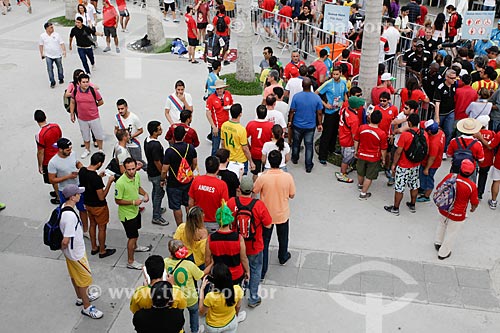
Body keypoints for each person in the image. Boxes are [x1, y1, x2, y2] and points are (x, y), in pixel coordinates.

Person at [227, 176, 272, 308]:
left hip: (236, 245)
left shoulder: (231, 202)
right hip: (254, 246)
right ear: (253, 190)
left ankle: (237, 293)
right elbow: (268, 225)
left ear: (239, 189)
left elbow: (226, 221)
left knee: (237, 269)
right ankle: (253, 298)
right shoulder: (259, 205)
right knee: (255, 270)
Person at [59, 184, 103, 319]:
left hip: (71, 254)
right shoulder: (70, 217)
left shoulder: (64, 208)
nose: (80, 195)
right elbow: (65, 240)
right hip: (76, 254)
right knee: (84, 280)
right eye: (78, 194)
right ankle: (87, 307)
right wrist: (66, 249)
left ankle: (80, 298)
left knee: (74, 276)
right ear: (72, 197)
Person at [254, 150, 296, 279]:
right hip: (282, 213)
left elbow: (254, 190)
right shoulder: (287, 177)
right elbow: (292, 195)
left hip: (266, 215)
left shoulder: (263, 177)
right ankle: (283, 256)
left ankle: (263, 271)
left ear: (268, 162)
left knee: (264, 242)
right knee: (283, 237)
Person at [434, 159, 478, 260]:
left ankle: (438, 242)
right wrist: (473, 208)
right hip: (457, 214)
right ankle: (443, 253)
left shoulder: (451, 176)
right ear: (471, 172)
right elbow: (474, 202)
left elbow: (439, 186)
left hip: (444, 208)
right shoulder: (472, 186)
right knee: (451, 233)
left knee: (441, 224)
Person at [384, 114, 427, 216]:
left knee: (399, 187)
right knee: (414, 185)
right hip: (416, 165)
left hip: (404, 165)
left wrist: (394, 164)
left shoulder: (405, 135)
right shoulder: (423, 134)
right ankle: (412, 205)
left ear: (409, 123)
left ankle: (395, 208)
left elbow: (398, 152)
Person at [114, 157, 152, 270]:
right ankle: (130, 261)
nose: (131, 171)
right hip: (127, 215)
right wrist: (133, 202)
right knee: (132, 237)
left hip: (135, 211)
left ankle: (136, 246)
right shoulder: (120, 183)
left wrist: (145, 193)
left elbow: (138, 187)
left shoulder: (137, 176)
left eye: (133, 169)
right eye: (129, 169)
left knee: (135, 234)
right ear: (125, 169)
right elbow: (117, 200)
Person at [78, 152, 116, 258]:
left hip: (88, 203)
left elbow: (88, 183)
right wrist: (109, 182)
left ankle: (94, 247)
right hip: (99, 206)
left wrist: (99, 176)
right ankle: (102, 250)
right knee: (102, 228)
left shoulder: (83, 171)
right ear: (99, 163)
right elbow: (101, 196)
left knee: (92, 224)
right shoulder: (96, 179)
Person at [48, 138, 88, 233]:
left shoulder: (72, 153)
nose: (70, 151)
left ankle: (85, 231)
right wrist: (68, 176)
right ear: (60, 149)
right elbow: (52, 179)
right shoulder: (53, 162)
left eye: (70, 149)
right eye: (67, 150)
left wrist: (81, 168)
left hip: (77, 187)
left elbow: (77, 162)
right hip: (64, 190)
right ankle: (65, 231)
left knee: (83, 210)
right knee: (66, 211)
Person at [205, 203, 250, 286]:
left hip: (218, 275)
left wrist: (209, 271)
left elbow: (207, 259)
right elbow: (243, 258)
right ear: (230, 219)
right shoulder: (238, 238)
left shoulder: (211, 238)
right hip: (236, 275)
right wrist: (247, 271)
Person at [164, 240, 204, 333]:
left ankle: (180, 330)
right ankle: (195, 330)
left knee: (179, 315)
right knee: (194, 313)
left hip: (176, 297)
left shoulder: (166, 262)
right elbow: (200, 275)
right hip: (191, 297)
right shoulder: (189, 265)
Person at [161, 126, 198, 226]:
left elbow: (164, 170)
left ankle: (180, 227)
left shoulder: (170, 151)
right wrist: (189, 172)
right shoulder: (190, 148)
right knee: (188, 204)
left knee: (176, 207)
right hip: (188, 181)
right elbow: (194, 163)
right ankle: (190, 226)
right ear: (184, 135)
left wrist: (162, 179)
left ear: (173, 136)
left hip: (174, 183)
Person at [289, 77, 324, 173]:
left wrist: (290, 121)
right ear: (311, 86)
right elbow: (319, 112)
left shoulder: (296, 96)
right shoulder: (316, 98)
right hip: (310, 126)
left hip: (297, 125)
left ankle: (295, 158)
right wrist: (320, 124)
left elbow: (292, 111)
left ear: (302, 86)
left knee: (296, 143)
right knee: (309, 145)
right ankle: (308, 165)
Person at [316, 66, 349, 165]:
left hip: (339, 111)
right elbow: (316, 93)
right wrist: (325, 104)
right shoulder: (328, 83)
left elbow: (345, 94)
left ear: (341, 73)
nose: (335, 76)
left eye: (337, 74)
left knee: (335, 132)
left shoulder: (344, 82)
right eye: (333, 74)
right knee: (327, 133)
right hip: (330, 112)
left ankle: (332, 149)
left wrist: (345, 103)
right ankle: (322, 156)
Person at [199, 263, 245, 332]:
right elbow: (238, 307)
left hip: (214, 326)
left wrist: (202, 290)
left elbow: (201, 312)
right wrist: (235, 316)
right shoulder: (237, 289)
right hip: (231, 322)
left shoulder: (211, 297)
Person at [188, 156, 229, 233]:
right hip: (214, 223)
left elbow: (190, 203)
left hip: (198, 220)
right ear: (218, 168)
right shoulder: (222, 185)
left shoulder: (196, 180)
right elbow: (224, 207)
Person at [354, 110, 388, 200]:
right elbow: (383, 149)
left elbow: (356, 140)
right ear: (380, 120)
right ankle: (363, 193)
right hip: (373, 158)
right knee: (369, 176)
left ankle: (360, 185)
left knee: (360, 172)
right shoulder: (382, 133)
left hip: (361, 154)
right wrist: (383, 159)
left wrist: (356, 151)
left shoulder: (361, 128)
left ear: (370, 117)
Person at [69, 73, 104, 158]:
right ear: (79, 83)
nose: (86, 84)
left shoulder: (93, 91)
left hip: (94, 117)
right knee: (85, 135)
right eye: (83, 82)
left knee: (98, 134)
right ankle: (87, 149)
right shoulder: (76, 91)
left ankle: (100, 149)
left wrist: (93, 107)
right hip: (82, 118)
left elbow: (101, 101)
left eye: (87, 82)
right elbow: (72, 102)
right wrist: (72, 113)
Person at [34, 109, 62, 205]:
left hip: (49, 160)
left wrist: (40, 165)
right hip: (59, 155)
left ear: (36, 120)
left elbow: (40, 152)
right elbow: (59, 139)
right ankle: (59, 192)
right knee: (59, 176)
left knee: (54, 180)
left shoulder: (40, 135)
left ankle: (59, 197)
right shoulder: (56, 126)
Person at [144, 120, 168, 226]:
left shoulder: (147, 140)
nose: (161, 130)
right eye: (159, 129)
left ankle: (157, 209)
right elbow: (157, 161)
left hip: (151, 171)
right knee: (159, 194)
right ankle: (156, 216)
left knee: (155, 191)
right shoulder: (155, 145)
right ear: (154, 132)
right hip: (156, 173)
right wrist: (163, 175)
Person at [221, 104, 256, 173]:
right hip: (240, 159)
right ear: (240, 114)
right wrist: (251, 161)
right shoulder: (241, 129)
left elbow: (223, 143)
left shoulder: (224, 125)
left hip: (229, 158)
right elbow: (245, 148)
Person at [416, 120, 445, 203]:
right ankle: (422, 188)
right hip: (435, 161)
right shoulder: (440, 132)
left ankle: (426, 195)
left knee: (428, 178)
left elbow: (432, 157)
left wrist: (427, 168)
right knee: (423, 177)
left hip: (431, 164)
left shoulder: (434, 143)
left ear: (429, 131)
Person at [336, 96, 363, 183]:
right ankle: (342, 174)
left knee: (345, 155)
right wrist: (356, 149)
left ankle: (345, 169)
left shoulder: (344, 109)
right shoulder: (354, 119)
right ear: (355, 106)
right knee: (346, 159)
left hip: (342, 137)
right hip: (348, 142)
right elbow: (354, 136)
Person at [115, 99, 146, 167]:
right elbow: (116, 129)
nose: (120, 111)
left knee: (138, 162)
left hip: (133, 145)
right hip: (124, 145)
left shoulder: (134, 118)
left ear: (126, 107)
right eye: (119, 109)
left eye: (122, 108)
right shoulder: (117, 118)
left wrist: (130, 137)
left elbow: (140, 130)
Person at [206, 79, 233, 156]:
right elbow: (208, 113)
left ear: (224, 88)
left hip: (227, 126)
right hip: (217, 127)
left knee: (226, 147)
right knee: (215, 148)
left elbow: (232, 105)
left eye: (221, 88)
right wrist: (213, 126)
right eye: (217, 89)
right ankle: (213, 165)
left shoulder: (228, 94)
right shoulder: (211, 98)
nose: (219, 90)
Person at [246, 105, 274, 178]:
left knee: (255, 173)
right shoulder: (270, 125)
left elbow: (244, 138)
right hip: (266, 152)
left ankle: (255, 188)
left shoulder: (251, 124)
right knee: (266, 173)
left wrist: (249, 146)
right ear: (266, 114)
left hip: (255, 152)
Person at [434, 69, 457, 154]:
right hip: (441, 113)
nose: (454, 80)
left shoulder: (454, 85)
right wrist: (437, 117)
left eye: (455, 78)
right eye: (452, 78)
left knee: (449, 131)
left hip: (450, 111)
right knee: (436, 131)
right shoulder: (440, 87)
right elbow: (437, 103)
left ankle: (444, 150)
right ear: (446, 77)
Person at [473, 116, 494, 200]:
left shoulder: (474, 133)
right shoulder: (492, 134)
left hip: (475, 158)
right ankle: (480, 193)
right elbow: (492, 146)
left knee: (473, 175)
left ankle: (471, 191)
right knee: (483, 175)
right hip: (487, 159)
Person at [39, 22, 66, 88]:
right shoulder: (42, 36)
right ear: (46, 28)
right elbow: (41, 45)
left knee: (60, 67)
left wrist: (64, 50)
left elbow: (61, 43)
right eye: (51, 27)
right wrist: (42, 53)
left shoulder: (57, 35)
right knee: (49, 69)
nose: (52, 28)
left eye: (52, 27)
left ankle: (61, 78)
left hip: (57, 55)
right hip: (48, 55)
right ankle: (52, 81)